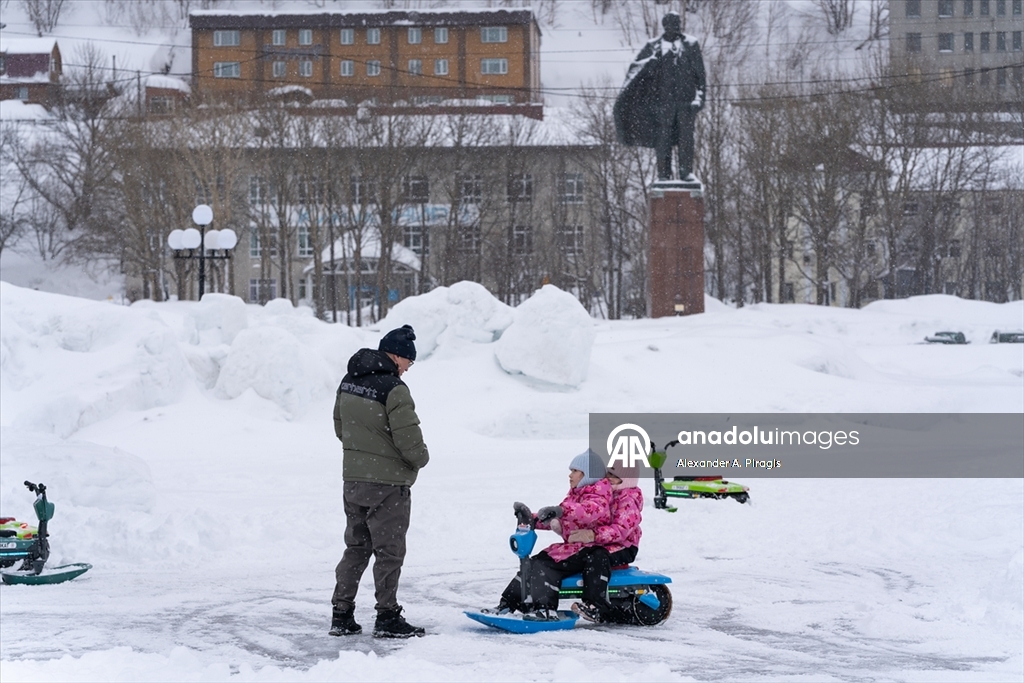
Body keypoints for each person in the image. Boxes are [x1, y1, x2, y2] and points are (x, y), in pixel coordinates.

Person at [330, 324, 429, 639]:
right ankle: (387, 616)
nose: (408, 369)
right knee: (389, 551)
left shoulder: (349, 381)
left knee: (356, 548)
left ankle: (341, 614)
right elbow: (409, 440)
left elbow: (339, 428)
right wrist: (420, 459)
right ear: (397, 355)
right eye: (409, 362)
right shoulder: (394, 389)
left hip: (354, 479)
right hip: (388, 485)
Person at [486, 450, 613, 618]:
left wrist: (560, 510)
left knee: (544, 568)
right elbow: (560, 520)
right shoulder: (575, 495)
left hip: (589, 549)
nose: (570, 475)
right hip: (572, 548)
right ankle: (507, 604)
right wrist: (531, 519)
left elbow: (586, 511)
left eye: (575, 471)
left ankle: (546, 609)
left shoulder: (599, 496)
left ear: (588, 475)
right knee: (531, 564)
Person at [613, 11, 707, 181]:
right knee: (663, 140)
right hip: (661, 104)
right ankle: (664, 175)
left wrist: (700, 98)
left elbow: (700, 75)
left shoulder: (691, 45)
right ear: (665, 26)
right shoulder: (653, 46)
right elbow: (636, 70)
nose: (675, 28)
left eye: (677, 24)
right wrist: (652, 62)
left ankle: (686, 173)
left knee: (686, 139)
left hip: (686, 103)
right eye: (672, 25)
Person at [570, 463, 643, 623]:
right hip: (604, 542)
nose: (608, 479)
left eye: (614, 476)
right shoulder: (604, 495)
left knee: (597, 557)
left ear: (626, 480)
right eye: (607, 474)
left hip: (624, 546)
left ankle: (595, 605)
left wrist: (592, 535)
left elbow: (620, 530)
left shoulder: (628, 500)